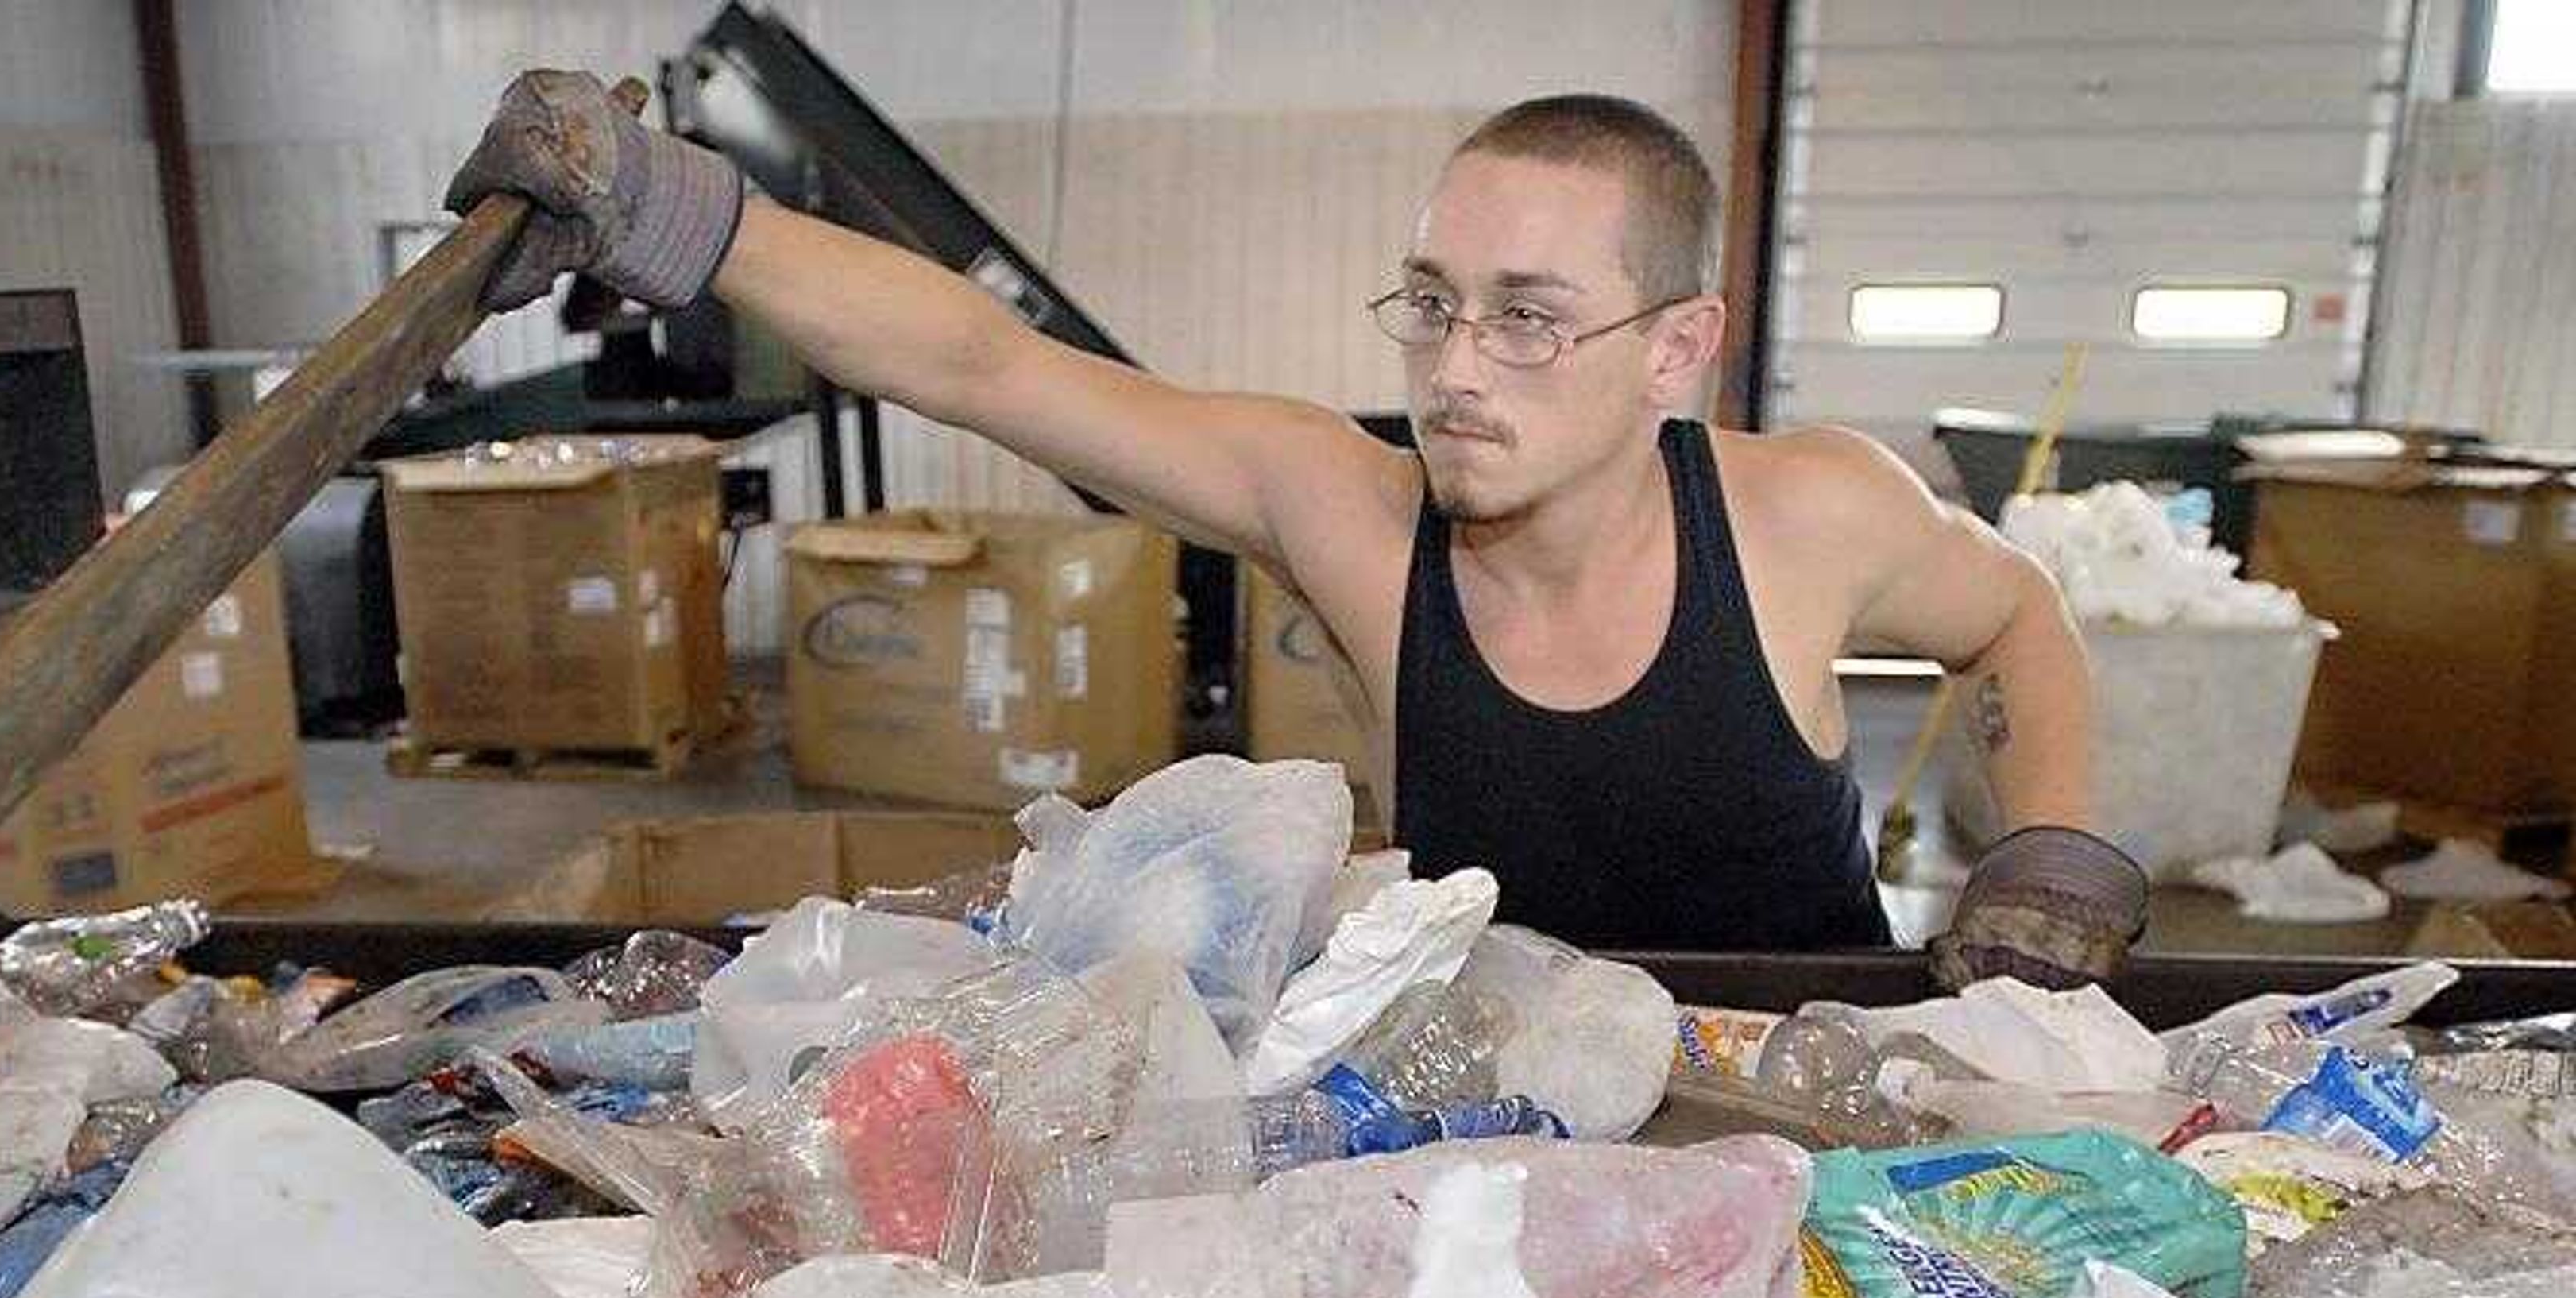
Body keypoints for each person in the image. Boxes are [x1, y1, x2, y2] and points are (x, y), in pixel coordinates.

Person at [445, 72, 2149, 987]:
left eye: (1530, 317)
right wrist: (661, 207)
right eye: (1430, 303)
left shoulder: (1806, 514)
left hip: (1820, 1079)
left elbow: (2021, 622)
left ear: (1679, 350)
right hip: (1519, 1095)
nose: (1456, 370)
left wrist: (2053, 846)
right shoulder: (1343, 511)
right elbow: (985, 363)